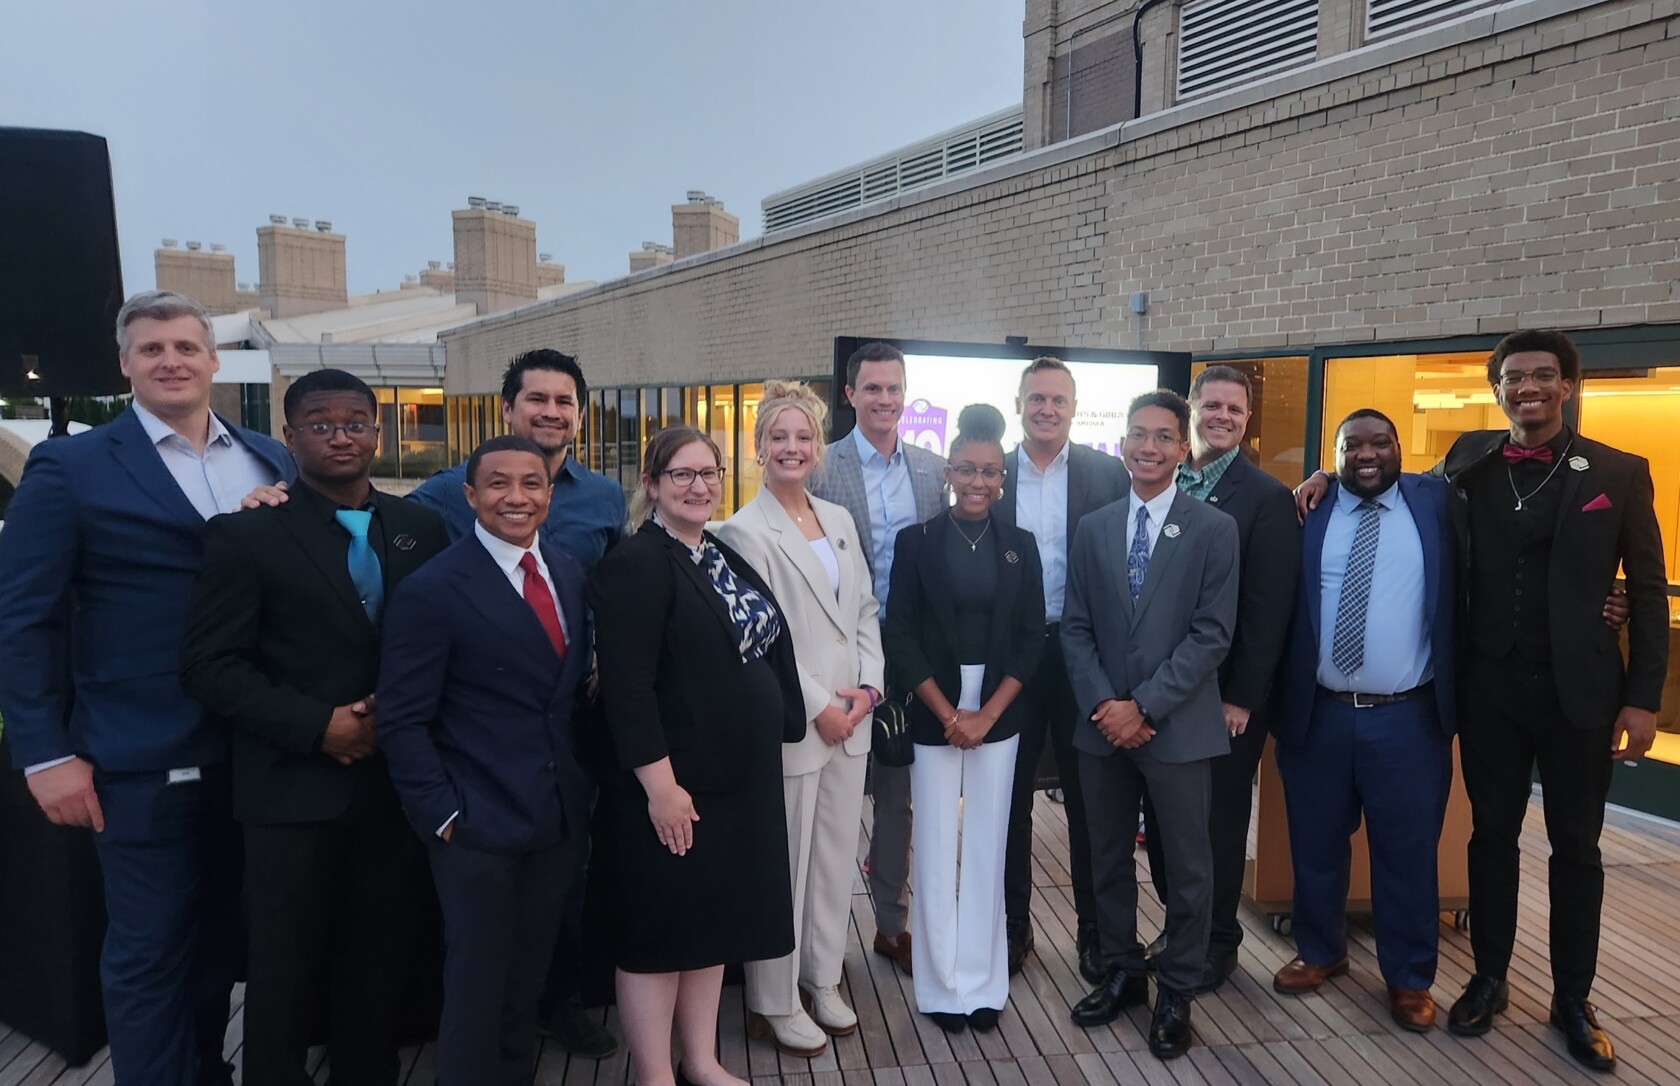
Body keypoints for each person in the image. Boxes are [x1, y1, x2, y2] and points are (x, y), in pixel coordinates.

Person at [1293, 330, 1665, 1072]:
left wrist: (1643, 697)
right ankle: (1489, 978)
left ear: (1567, 386)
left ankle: (1574, 998)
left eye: (1542, 376)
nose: (1527, 388)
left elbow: (1648, 591)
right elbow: (1385, 475)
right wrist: (1325, 475)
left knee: (1578, 849)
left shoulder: (1619, 473)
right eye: (1513, 378)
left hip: (1581, 697)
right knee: (1488, 840)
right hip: (1491, 693)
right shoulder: (1467, 465)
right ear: (1497, 390)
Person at [0, 290, 293, 1086]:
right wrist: (43, 753)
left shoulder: (271, 460)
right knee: (148, 949)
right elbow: (24, 619)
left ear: (212, 361)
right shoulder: (71, 465)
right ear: (125, 364)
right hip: (134, 753)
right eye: (152, 349)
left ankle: (205, 1071)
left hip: (253, 749)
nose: (171, 361)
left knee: (218, 945)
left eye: (186, 347)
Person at [179, 369, 448, 1085]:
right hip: (290, 793)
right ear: (289, 438)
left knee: (378, 958)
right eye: (321, 424)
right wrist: (317, 726)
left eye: (355, 422)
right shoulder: (245, 535)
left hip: (394, 790)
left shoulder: (422, 528)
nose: (340, 435)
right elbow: (211, 666)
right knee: (283, 969)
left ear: (377, 433)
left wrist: (397, 711)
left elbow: (449, 639)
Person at [409, 348, 623, 1055]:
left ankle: (556, 1008)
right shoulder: (442, 497)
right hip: (478, 769)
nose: (551, 412)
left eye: (565, 402)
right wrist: (441, 811)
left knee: (554, 912)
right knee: (478, 960)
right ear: (509, 409)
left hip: (564, 749)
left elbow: (611, 593)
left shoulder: (600, 502)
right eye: (537, 399)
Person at [374, 435, 595, 1086]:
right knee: (476, 984)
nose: (516, 497)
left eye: (531, 483)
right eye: (498, 484)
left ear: (550, 497)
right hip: (475, 824)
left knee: (525, 980)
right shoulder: (433, 589)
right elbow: (403, 718)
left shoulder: (568, 572)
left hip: (555, 818)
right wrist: (442, 815)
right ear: (470, 496)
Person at [589, 425, 805, 1086]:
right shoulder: (637, 562)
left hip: (732, 783)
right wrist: (661, 788)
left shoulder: (711, 551)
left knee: (709, 928)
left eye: (709, 473)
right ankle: (655, 1074)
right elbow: (626, 688)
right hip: (674, 786)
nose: (698, 485)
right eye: (681, 474)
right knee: (660, 936)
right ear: (651, 485)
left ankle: (702, 1060)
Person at [1061, 389, 1239, 1061]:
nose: (1148, 447)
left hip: (1179, 728)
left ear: (1183, 448)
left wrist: (1146, 707)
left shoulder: (1213, 530)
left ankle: (1177, 991)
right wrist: (1109, 707)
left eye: (1164, 437)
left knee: (1190, 866)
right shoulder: (1095, 527)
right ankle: (1123, 973)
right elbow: (1074, 630)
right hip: (1101, 728)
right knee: (1105, 857)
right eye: (1138, 434)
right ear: (1123, 442)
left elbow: (1212, 635)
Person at [1270, 409, 1456, 1033]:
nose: (1367, 455)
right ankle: (1322, 951)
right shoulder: (1308, 511)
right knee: (1316, 844)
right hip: (1319, 713)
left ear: (1401, 448)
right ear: (1336, 453)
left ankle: (1409, 978)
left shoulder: (1435, 503)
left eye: (1380, 443)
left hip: (1406, 717)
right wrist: (1316, 475)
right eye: (1352, 446)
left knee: (1406, 853)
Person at [715, 382, 885, 1058]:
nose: (792, 448)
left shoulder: (838, 519)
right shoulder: (742, 532)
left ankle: (821, 977)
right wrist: (821, 705)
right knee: (783, 867)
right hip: (798, 723)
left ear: (817, 448)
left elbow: (865, 611)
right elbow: (759, 637)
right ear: (757, 448)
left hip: (854, 719)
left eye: (803, 437)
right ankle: (772, 1001)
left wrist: (869, 690)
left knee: (836, 862)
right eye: (778, 437)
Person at [881, 403, 1044, 1034]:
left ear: (1003, 479)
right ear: (948, 471)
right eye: (968, 470)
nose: (979, 483)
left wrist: (986, 714)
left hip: (999, 707)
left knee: (986, 845)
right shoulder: (916, 542)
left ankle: (981, 981)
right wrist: (951, 714)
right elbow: (900, 634)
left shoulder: (1020, 546)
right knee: (936, 847)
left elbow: (1032, 639)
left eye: (991, 473)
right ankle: (942, 984)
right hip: (934, 707)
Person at [1141, 365, 1299, 992]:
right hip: (1159, 688)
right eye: (1212, 406)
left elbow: (1268, 609)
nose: (1222, 417)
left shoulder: (1264, 499)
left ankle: (1216, 939)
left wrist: (1242, 697)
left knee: (1217, 823)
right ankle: (1182, 924)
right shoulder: (1161, 481)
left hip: (1223, 698)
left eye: (1235, 409)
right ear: (1192, 411)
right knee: (1161, 817)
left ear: (1247, 416)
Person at [808, 341, 946, 978]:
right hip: (835, 655)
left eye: (895, 389)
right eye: (872, 389)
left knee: (897, 796)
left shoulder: (931, 471)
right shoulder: (819, 467)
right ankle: (816, 942)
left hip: (911, 657)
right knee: (826, 795)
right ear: (850, 395)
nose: (885, 400)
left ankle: (890, 924)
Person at [993, 356, 1128, 981]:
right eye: (1036, 398)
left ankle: (1094, 935)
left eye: (1058, 400)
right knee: (1010, 799)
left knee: (1090, 802)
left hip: (1083, 656)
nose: (1047, 409)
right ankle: (1013, 929)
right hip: (1012, 659)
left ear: (1074, 408)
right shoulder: (991, 472)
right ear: (1019, 402)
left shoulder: (1107, 473)